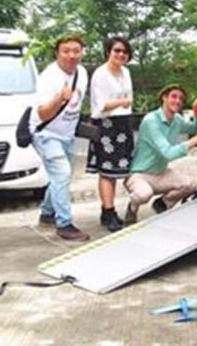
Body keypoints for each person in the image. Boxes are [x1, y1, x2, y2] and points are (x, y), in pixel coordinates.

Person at [124, 84, 197, 225]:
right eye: (174, 97)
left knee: (190, 185)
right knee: (143, 194)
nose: (177, 101)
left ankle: (162, 205)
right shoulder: (151, 121)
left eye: (181, 99)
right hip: (140, 174)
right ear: (164, 98)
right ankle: (132, 210)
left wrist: (196, 108)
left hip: (161, 172)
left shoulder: (176, 119)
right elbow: (168, 153)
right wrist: (196, 139)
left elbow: (194, 127)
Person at [31, 35, 90, 241]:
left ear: (82, 53)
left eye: (76, 51)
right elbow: (43, 114)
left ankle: (47, 213)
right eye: (66, 51)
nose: (71, 55)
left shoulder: (82, 73)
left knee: (61, 177)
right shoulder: (48, 78)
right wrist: (59, 98)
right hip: (46, 134)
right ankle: (64, 224)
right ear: (57, 53)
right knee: (62, 174)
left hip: (67, 134)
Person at [86, 36, 135, 232]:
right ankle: (108, 211)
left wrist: (123, 103)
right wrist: (121, 102)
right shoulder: (101, 74)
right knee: (107, 172)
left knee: (120, 170)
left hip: (123, 122)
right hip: (106, 124)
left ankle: (109, 210)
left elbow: (129, 99)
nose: (120, 54)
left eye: (124, 51)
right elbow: (101, 105)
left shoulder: (126, 72)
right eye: (117, 50)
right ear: (108, 52)